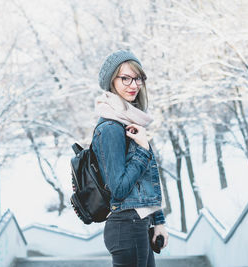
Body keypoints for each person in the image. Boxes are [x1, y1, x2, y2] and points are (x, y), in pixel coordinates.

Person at [92, 50, 169, 267]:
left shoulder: (129, 123)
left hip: (138, 223)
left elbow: (144, 184)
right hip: (126, 226)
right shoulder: (110, 128)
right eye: (125, 78)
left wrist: (158, 222)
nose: (133, 84)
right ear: (111, 81)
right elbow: (118, 188)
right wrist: (143, 150)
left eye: (137, 78)